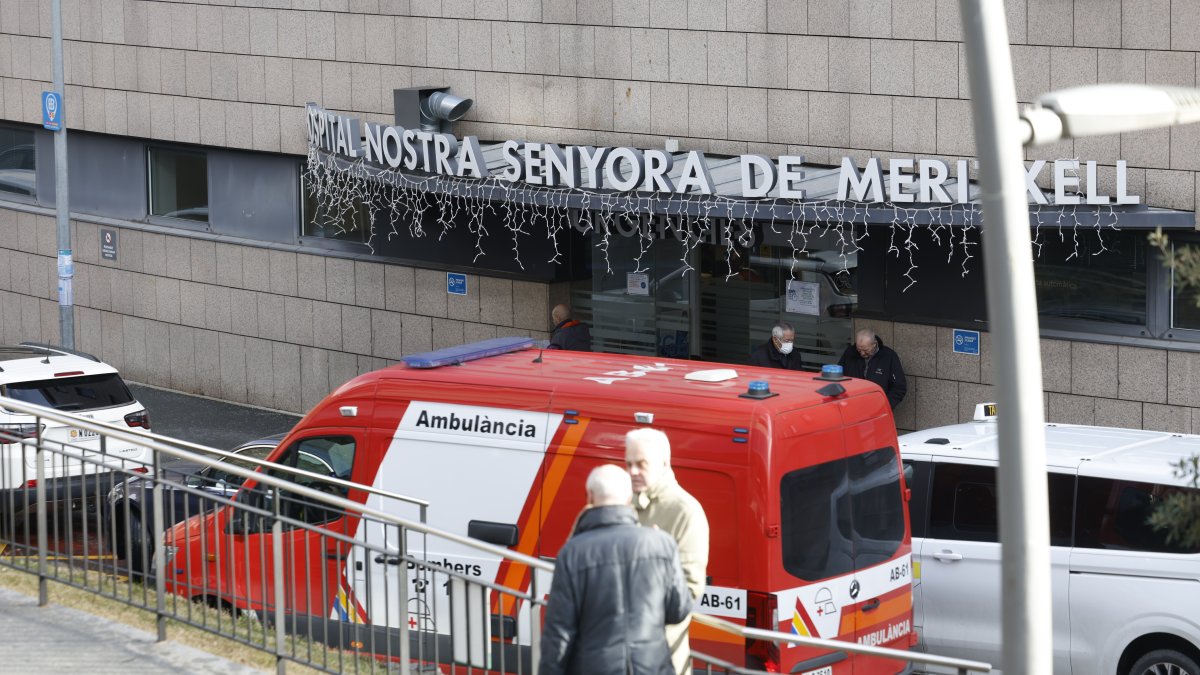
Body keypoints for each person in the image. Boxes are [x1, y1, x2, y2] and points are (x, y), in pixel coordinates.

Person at [539, 464, 691, 675]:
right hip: (653, 667)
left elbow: (559, 632)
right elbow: (678, 611)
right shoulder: (662, 544)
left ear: (590, 497)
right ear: (629, 498)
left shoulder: (573, 552)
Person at [625, 428, 710, 675]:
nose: (632, 471)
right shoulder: (624, 500)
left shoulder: (685, 511)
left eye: (641, 464)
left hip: (659, 658)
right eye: (629, 463)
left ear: (664, 463)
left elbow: (689, 590)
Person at [838, 328, 908, 410]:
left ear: (874, 344)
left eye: (865, 350)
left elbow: (899, 387)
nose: (862, 353)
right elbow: (838, 377)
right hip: (851, 407)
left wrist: (885, 405)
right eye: (859, 349)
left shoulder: (889, 356)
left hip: (878, 409)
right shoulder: (850, 352)